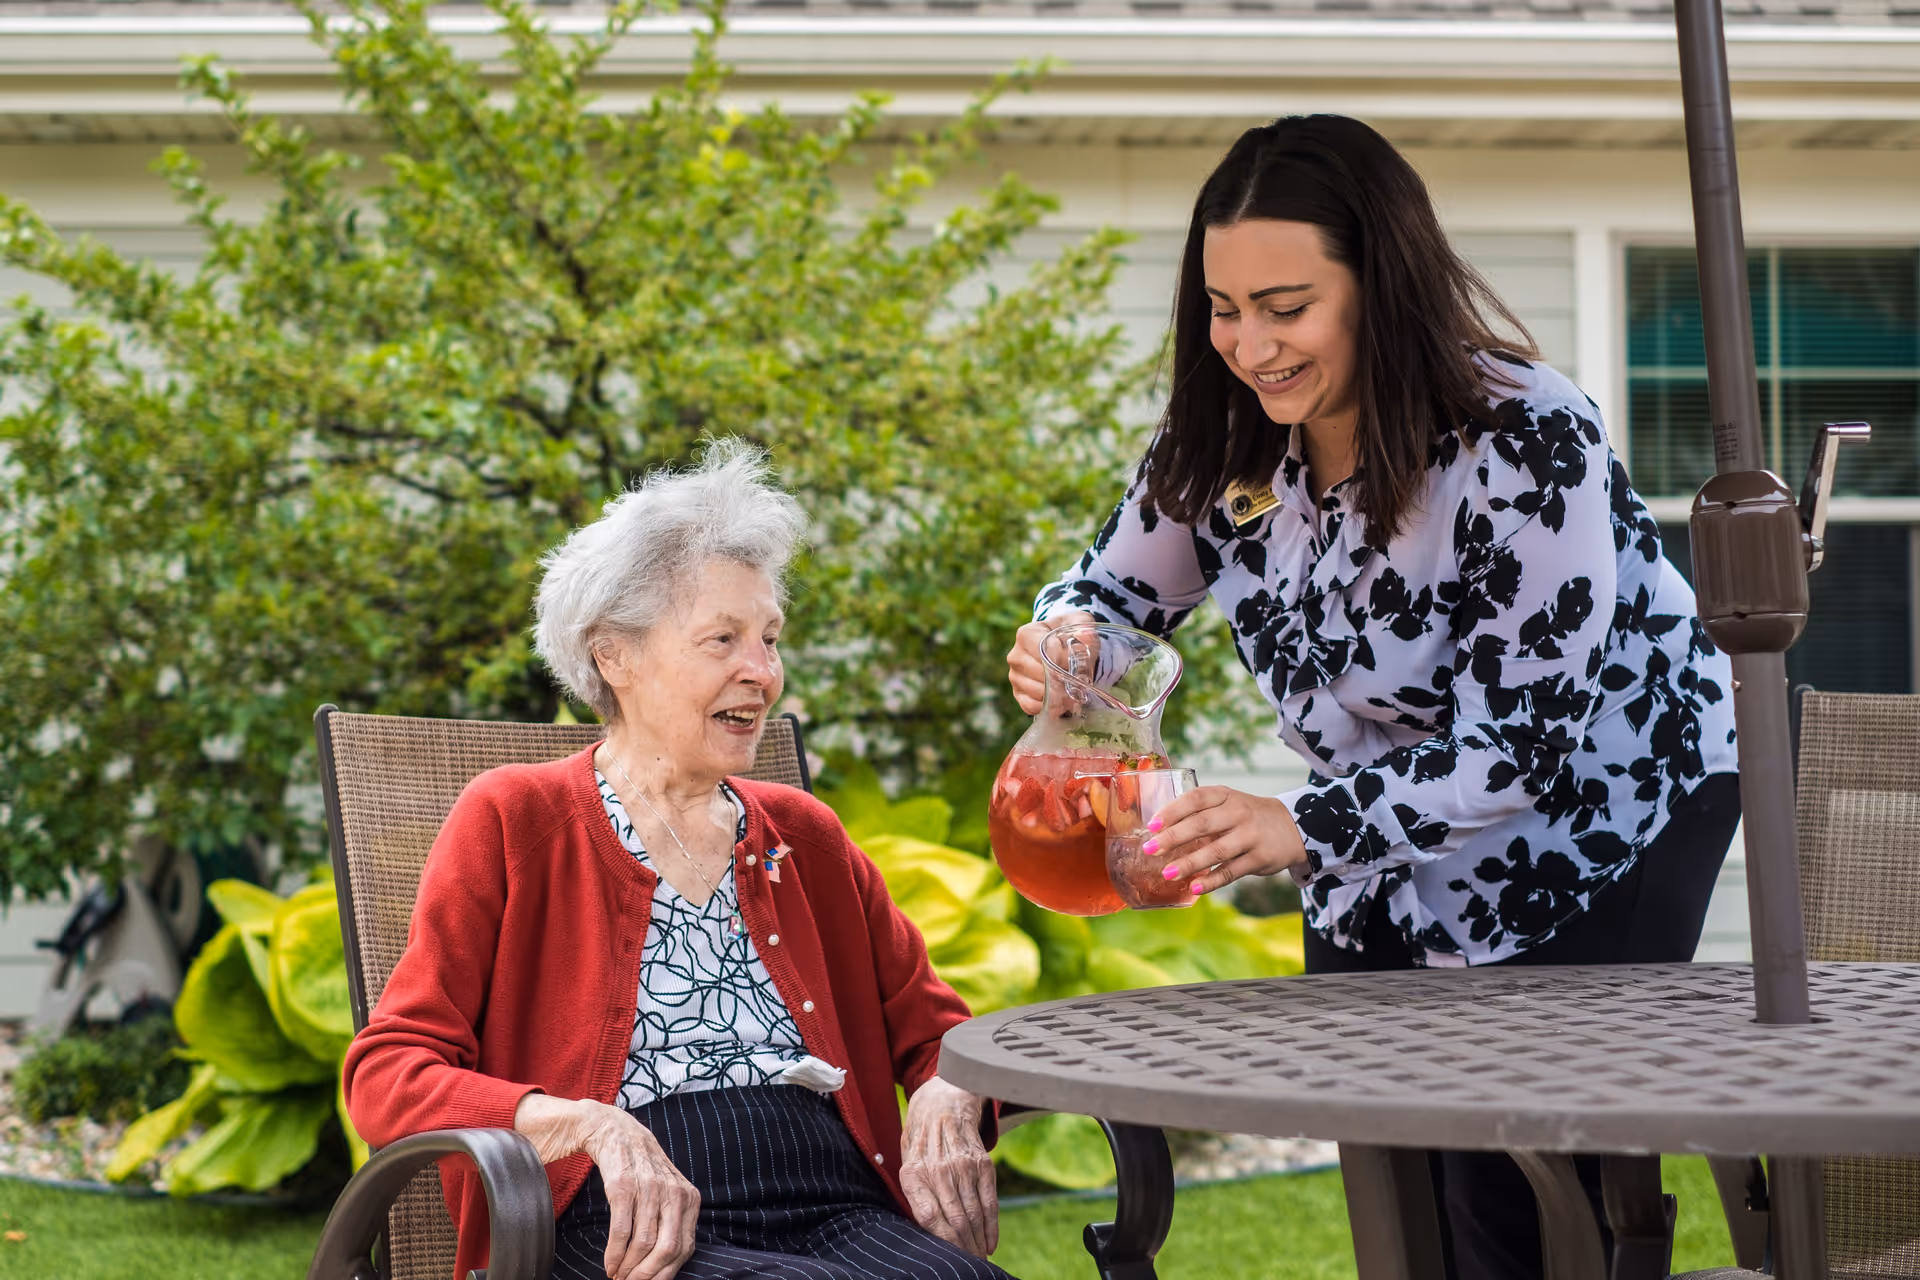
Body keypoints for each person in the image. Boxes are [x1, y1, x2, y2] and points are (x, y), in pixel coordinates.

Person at [1007, 115, 1739, 1280]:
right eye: (1223, 307)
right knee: (1386, 1156)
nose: (1250, 344)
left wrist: (1297, 824)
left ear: (1379, 285)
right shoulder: (1225, 432)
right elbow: (1109, 590)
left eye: (1286, 306)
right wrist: (1066, 641)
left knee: (1516, 1179)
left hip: (1606, 794)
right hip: (1373, 808)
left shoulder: (1524, 436)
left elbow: (1515, 749)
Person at [346, 441, 1009, 1280]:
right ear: (613, 656)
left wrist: (951, 1091)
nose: (761, 672)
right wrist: (585, 1124)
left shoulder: (804, 834)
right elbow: (388, 1073)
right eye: (722, 638)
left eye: (770, 639)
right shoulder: (515, 818)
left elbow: (942, 1032)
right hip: (624, 1222)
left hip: (838, 1202)